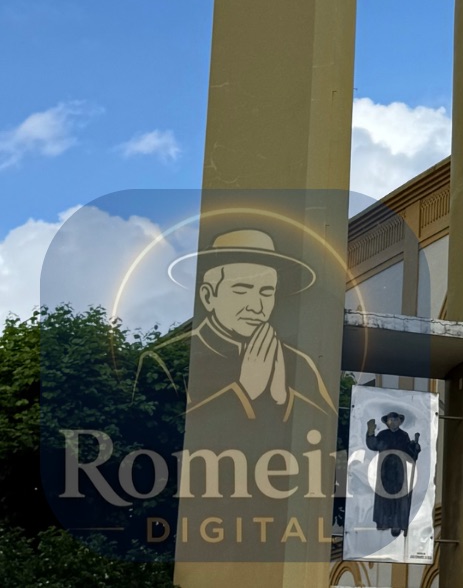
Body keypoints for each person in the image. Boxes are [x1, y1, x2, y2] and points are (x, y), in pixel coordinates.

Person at [136, 228, 335, 420]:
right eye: (241, 290)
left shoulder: (300, 363)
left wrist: (283, 399)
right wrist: (243, 391)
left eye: (266, 292)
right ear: (208, 296)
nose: (256, 307)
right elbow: (162, 427)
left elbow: (326, 426)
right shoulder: (165, 361)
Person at [366, 411, 423, 536]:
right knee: (384, 496)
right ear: (387, 422)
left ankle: (397, 524)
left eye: (396, 420)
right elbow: (373, 444)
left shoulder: (403, 436)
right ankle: (384, 522)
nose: (393, 422)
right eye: (390, 420)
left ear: (400, 422)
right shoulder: (383, 435)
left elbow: (410, 454)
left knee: (399, 497)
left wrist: (415, 448)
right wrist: (370, 433)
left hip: (399, 471)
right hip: (385, 470)